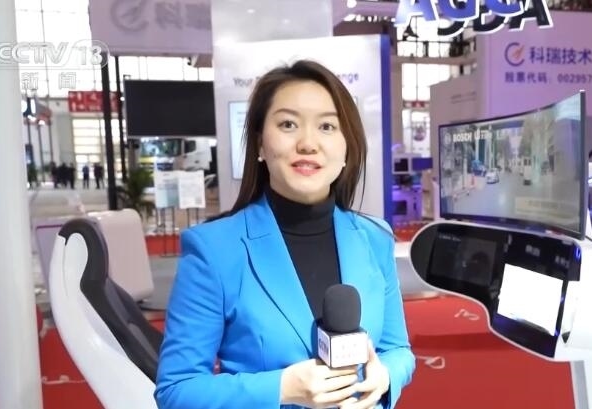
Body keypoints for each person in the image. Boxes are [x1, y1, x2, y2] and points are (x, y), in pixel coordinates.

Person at [155, 60, 415, 409]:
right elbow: (176, 390)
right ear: (261, 144)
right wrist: (282, 388)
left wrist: (386, 375)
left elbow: (398, 350)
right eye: (288, 124)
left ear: (347, 148)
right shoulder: (214, 249)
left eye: (327, 126)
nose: (308, 143)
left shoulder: (375, 238)